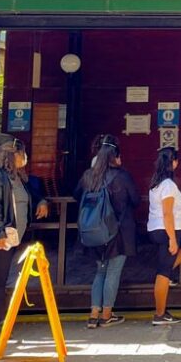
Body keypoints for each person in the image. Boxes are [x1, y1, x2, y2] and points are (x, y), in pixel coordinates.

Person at [0, 139, 48, 336]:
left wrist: (42, 201)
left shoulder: (19, 177)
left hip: (14, 236)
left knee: (2, 277)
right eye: (22, 154)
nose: (25, 158)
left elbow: (33, 195)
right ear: (13, 155)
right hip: (1, 236)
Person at [74, 134, 140, 329]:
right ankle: (107, 314)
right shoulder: (122, 176)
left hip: (94, 231)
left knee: (100, 272)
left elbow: (76, 195)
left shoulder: (89, 175)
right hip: (118, 232)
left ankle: (93, 314)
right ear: (115, 156)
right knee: (113, 272)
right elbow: (135, 200)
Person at [146, 146, 181, 325]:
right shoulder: (169, 185)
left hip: (155, 228)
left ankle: (167, 275)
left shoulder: (156, 183)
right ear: (174, 162)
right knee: (163, 272)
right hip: (168, 229)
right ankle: (160, 314)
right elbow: (167, 213)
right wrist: (172, 239)